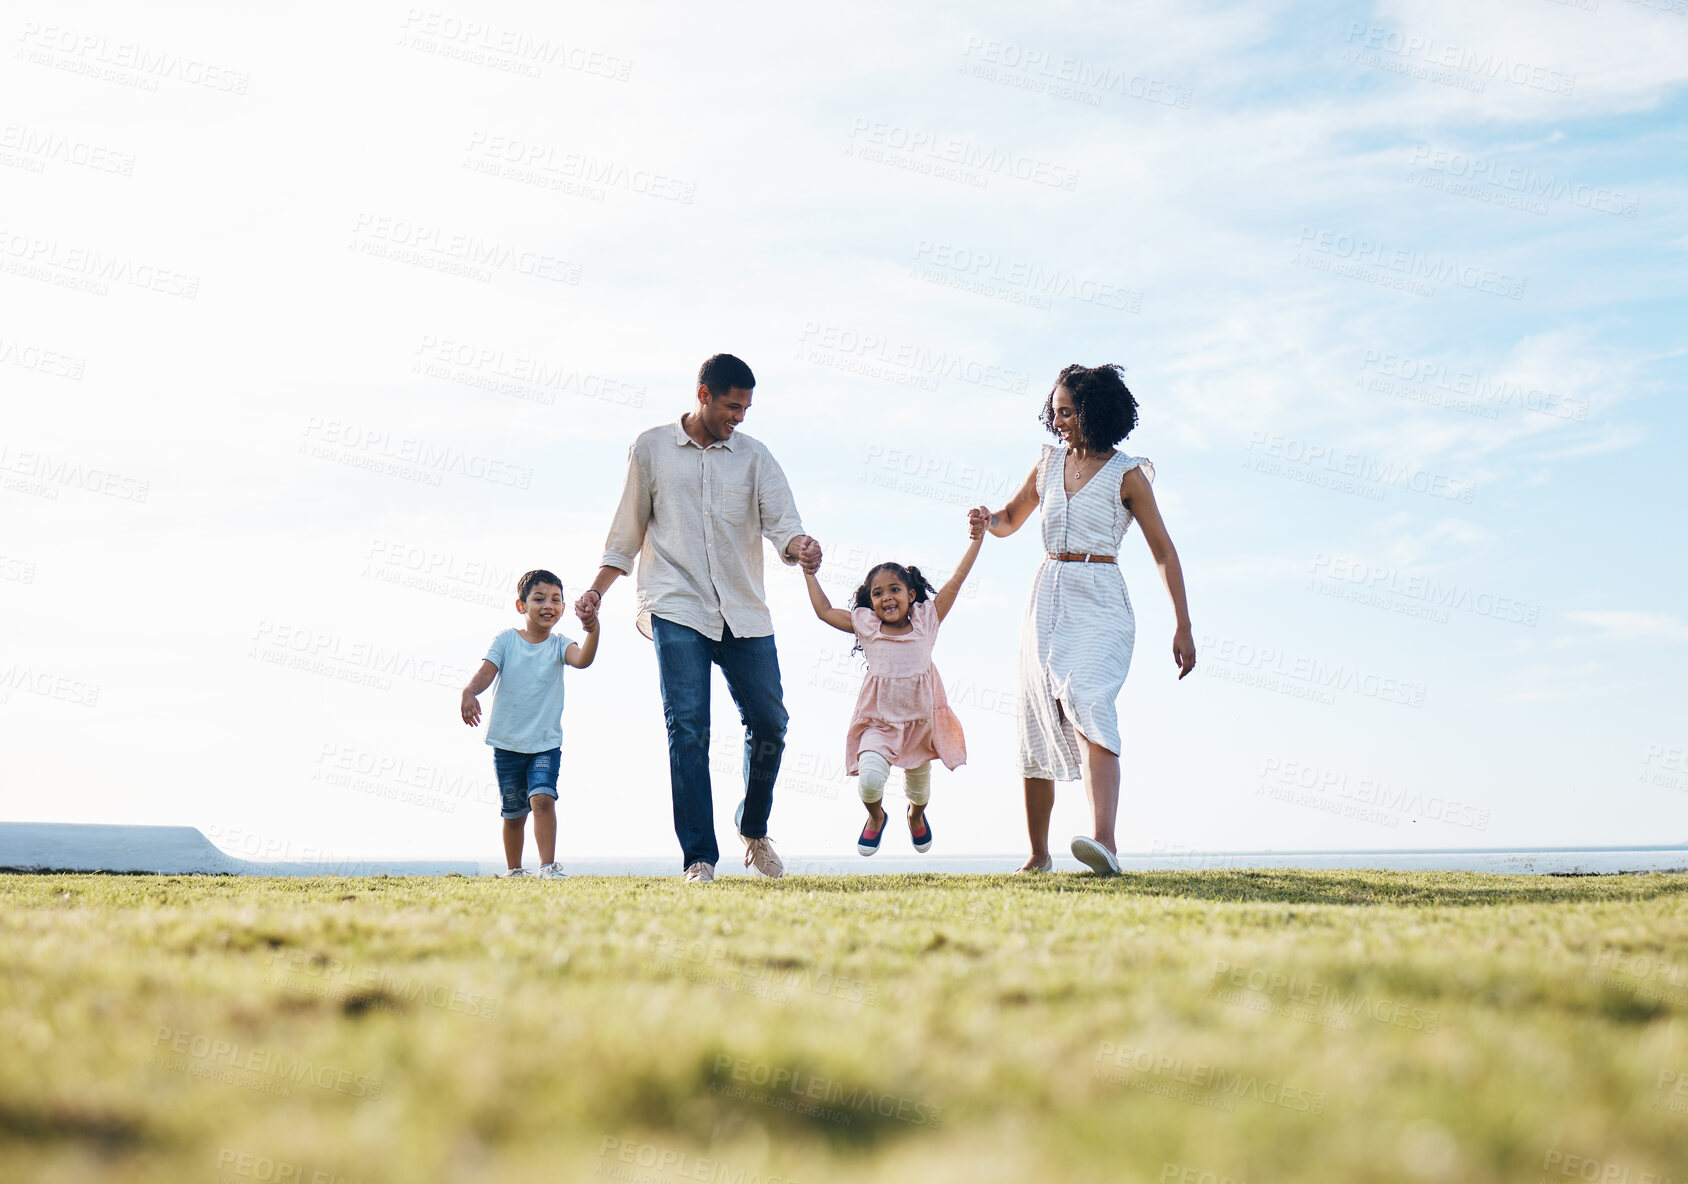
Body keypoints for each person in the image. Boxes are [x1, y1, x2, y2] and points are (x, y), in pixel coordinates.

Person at [574, 354, 821, 883]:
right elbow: (626, 529)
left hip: (743, 608)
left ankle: (753, 829)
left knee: (771, 723)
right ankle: (699, 859)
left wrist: (801, 546)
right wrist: (598, 590)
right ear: (703, 395)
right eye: (733, 406)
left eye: (747, 408)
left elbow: (784, 524)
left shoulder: (756, 457)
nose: (740, 417)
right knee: (687, 728)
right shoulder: (652, 448)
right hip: (674, 601)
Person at [982, 364, 1195, 876]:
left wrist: (1182, 624)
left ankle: (1105, 844)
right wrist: (983, 520)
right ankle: (1038, 855)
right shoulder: (1047, 465)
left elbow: (1164, 551)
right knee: (1035, 717)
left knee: (1088, 698)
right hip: (1047, 597)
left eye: (1068, 412)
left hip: (1100, 598)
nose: (1058, 422)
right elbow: (1009, 520)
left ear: (1095, 412)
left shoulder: (1128, 474)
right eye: (1054, 412)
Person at [803, 512, 985, 856]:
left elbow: (957, 580)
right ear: (869, 602)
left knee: (919, 792)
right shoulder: (867, 626)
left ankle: (915, 815)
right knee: (870, 782)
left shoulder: (926, 621)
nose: (887, 597)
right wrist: (809, 573)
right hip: (879, 723)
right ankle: (876, 816)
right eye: (877, 593)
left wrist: (977, 538)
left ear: (911, 594)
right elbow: (825, 611)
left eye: (895, 590)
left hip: (920, 723)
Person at [460, 569, 600, 879]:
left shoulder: (560, 644)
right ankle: (514, 871)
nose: (548, 605)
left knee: (542, 798)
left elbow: (583, 660)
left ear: (563, 608)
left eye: (556, 599)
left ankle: (547, 867)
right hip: (507, 744)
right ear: (521, 606)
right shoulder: (507, 640)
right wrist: (469, 691)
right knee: (513, 814)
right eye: (539, 599)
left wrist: (593, 630)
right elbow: (486, 672)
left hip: (545, 743)